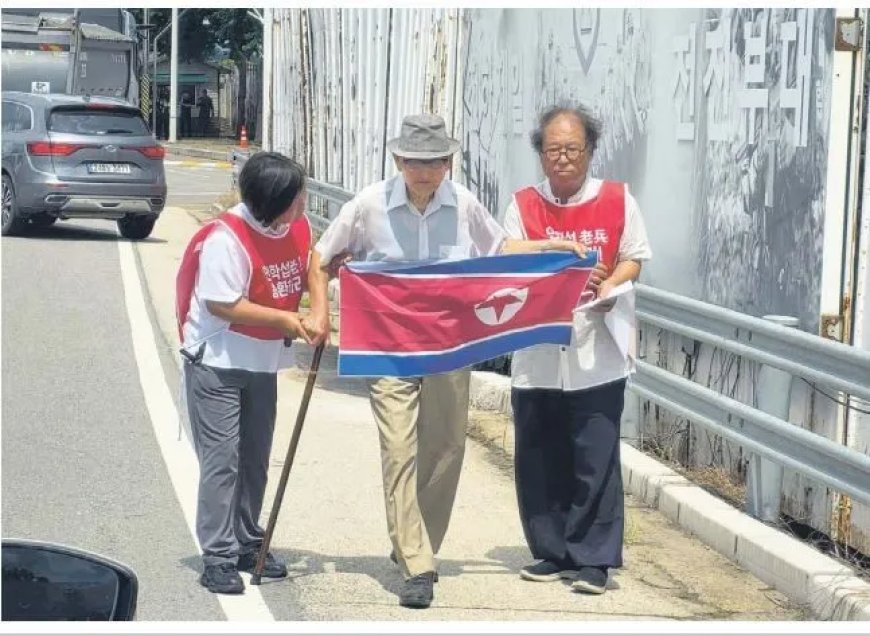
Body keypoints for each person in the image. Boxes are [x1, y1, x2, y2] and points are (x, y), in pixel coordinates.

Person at [308, 113, 589, 609]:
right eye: (414, 161)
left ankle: (419, 545)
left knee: (444, 448)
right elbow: (322, 257)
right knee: (399, 448)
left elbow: (501, 250)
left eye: (434, 162)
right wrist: (320, 312)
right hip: (388, 345)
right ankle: (417, 563)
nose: (423, 171)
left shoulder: (462, 205)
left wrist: (552, 247)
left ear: (448, 163)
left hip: (448, 344)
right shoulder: (369, 205)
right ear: (398, 160)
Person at [501, 103, 652, 595]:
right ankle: (552, 550)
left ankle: (594, 559)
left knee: (595, 456)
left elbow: (634, 259)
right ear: (540, 155)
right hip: (538, 350)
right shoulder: (522, 204)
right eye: (553, 150)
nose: (563, 159)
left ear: (589, 151)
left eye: (573, 149)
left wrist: (610, 284)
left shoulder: (617, 199)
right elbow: (503, 256)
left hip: (597, 350)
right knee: (539, 453)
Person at [176, 152, 322, 594]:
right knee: (223, 461)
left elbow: (314, 261)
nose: (302, 206)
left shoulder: (295, 225)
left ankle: (246, 539)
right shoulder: (227, 237)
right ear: (269, 200)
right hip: (217, 361)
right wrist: (289, 321)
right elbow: (223, 303)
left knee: (254, 458)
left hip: (260, 361)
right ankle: (218, 554)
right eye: (295, 199)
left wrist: (319, 309)